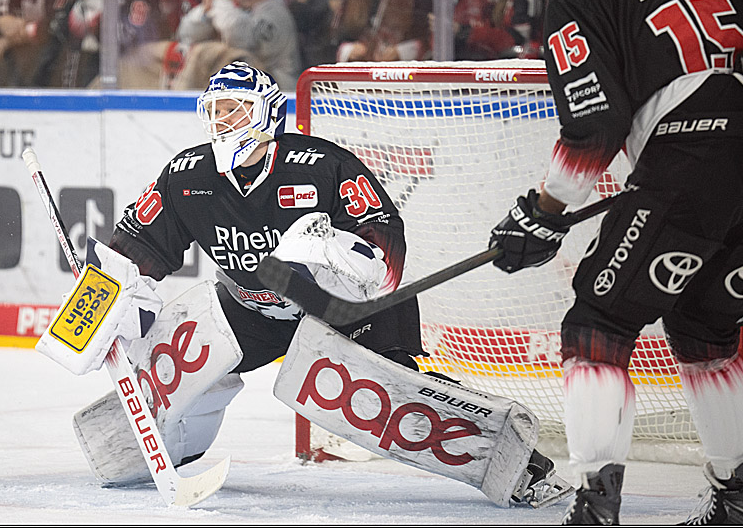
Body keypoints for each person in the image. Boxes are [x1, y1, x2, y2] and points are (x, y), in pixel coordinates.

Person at [67, 61, 569, 508]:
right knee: (178, 361)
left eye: (236, 111)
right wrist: (102, 299)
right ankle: (157, 448)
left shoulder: (323, 165)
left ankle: (522, 468)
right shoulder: (187, 175)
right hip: (250, 306)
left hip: (343, 308)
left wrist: (332, 248)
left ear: (267, 116)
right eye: (215, 112)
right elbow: (135, 243)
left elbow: (386, 259)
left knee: (394, 401)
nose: (223, 124)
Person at [488, 0, 743, 524]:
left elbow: (594, 129)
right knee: (706, 332)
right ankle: (740, 506)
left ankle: (595, 510)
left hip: (693, 158)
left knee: (596, 325)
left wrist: (542, 214)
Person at [176, 0, 300, 91]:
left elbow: (237, 36)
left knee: (218, 54)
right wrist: (207, 10)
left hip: (280, 91)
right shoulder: (235, 9)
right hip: (249, 89)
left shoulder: (277, 12)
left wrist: (220, 0)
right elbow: (186, 34)